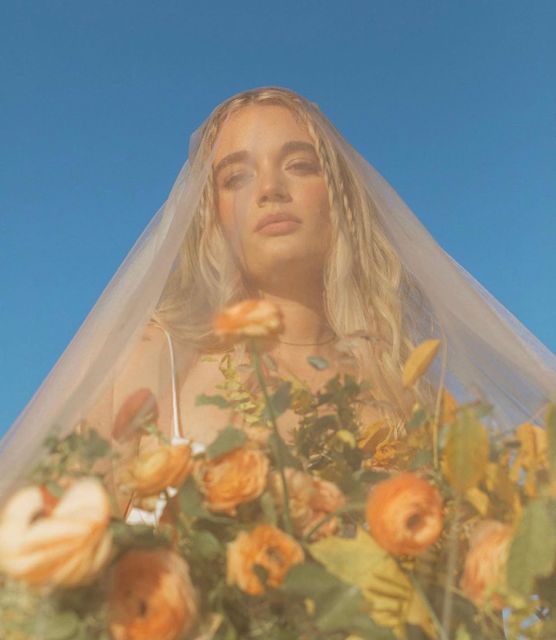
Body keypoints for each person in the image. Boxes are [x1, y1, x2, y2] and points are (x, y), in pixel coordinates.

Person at [1, 86, 554, 508]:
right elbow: (45, 565)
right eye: (235, 178)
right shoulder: (154, 362)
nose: (270, 189)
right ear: (210, 218)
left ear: (340, 201)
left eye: (299, 165)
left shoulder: (407, 394)